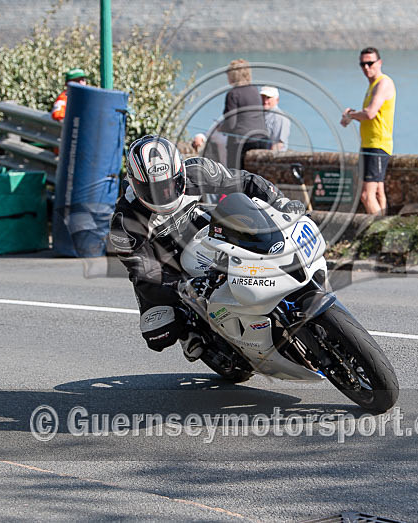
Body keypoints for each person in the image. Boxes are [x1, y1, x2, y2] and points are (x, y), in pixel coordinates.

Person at [109, 135, 305, 360]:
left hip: (201, 226)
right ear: (134, 183)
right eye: (152, 190)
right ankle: (189, 331)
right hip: (163, 260)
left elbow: (246, 181)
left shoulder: (198, 170)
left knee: (252, 234)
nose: (164, 195)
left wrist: (279, 202)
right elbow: (144, 274)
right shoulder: (125, 222)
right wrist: (183, 287)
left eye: (170, 185)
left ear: (180, 173)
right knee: (158, 331)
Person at [340, 47, 396, 215]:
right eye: (362, 64)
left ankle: (381, 233)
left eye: (370, 63)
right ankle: (386, 233)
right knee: (378, 192)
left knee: (366, 195)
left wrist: (350, 115)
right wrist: (354, 115)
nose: (366, 67)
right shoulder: (372, 86)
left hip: (377, 145)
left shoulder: (383, 83)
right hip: (369, 144)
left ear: (379, 63)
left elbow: (370, 113)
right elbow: (369, 113)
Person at [220, 59, 269, 169]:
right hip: (261, 138)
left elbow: (231, 123)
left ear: (233, 75)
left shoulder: (233, 94)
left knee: (236, 177)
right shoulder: (255, 90)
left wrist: (221, 128)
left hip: (241, 142)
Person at [260, 86, 291, 152]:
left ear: (277, 100)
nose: (265, 101)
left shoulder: (281, 117)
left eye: (268, 98)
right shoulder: (259, 115)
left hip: (275, 158)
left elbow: (280, 144)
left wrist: (265, 156)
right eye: (263, 97)